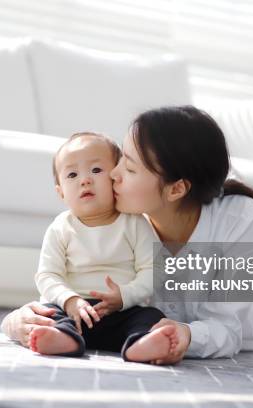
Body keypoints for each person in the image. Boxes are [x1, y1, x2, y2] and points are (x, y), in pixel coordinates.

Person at [1, 106, 253, 364]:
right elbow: (69, 281)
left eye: (129, 167)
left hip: (233, 331)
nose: (112, 175)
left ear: (176, 189)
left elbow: (227, 329)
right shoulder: (119, 215)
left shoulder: (241, 219)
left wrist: (186, 335)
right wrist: (18, 323)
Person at [29, 131, 179, 362]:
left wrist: (125, 296)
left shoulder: (134, 222)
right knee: (51, 313)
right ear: (60, 192)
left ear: (116, 178)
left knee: (150, 316)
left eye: (96, 170)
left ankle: (139, 344)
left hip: (122, 311)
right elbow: (48, 275)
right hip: (74, 310)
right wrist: (70, 300)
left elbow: (155, 269)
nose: (85, 180)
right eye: (72, 174)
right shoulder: (60, 227)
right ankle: (62, 338)